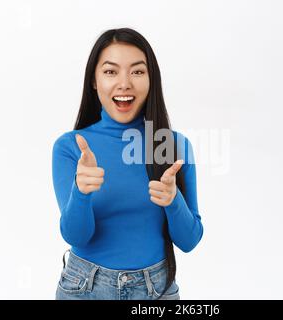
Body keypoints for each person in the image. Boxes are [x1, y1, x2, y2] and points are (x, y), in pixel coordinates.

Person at [51, 27, 203, 300]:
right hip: (85, 288)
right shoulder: (70, 147)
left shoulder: (173, 146)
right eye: (111, 72)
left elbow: (189, 241)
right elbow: (77, 236)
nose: (125, 83)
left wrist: (172, 200)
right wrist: (81, 192)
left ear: (150, 79)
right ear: (94, 81)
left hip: (157, 290)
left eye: (137, 71)